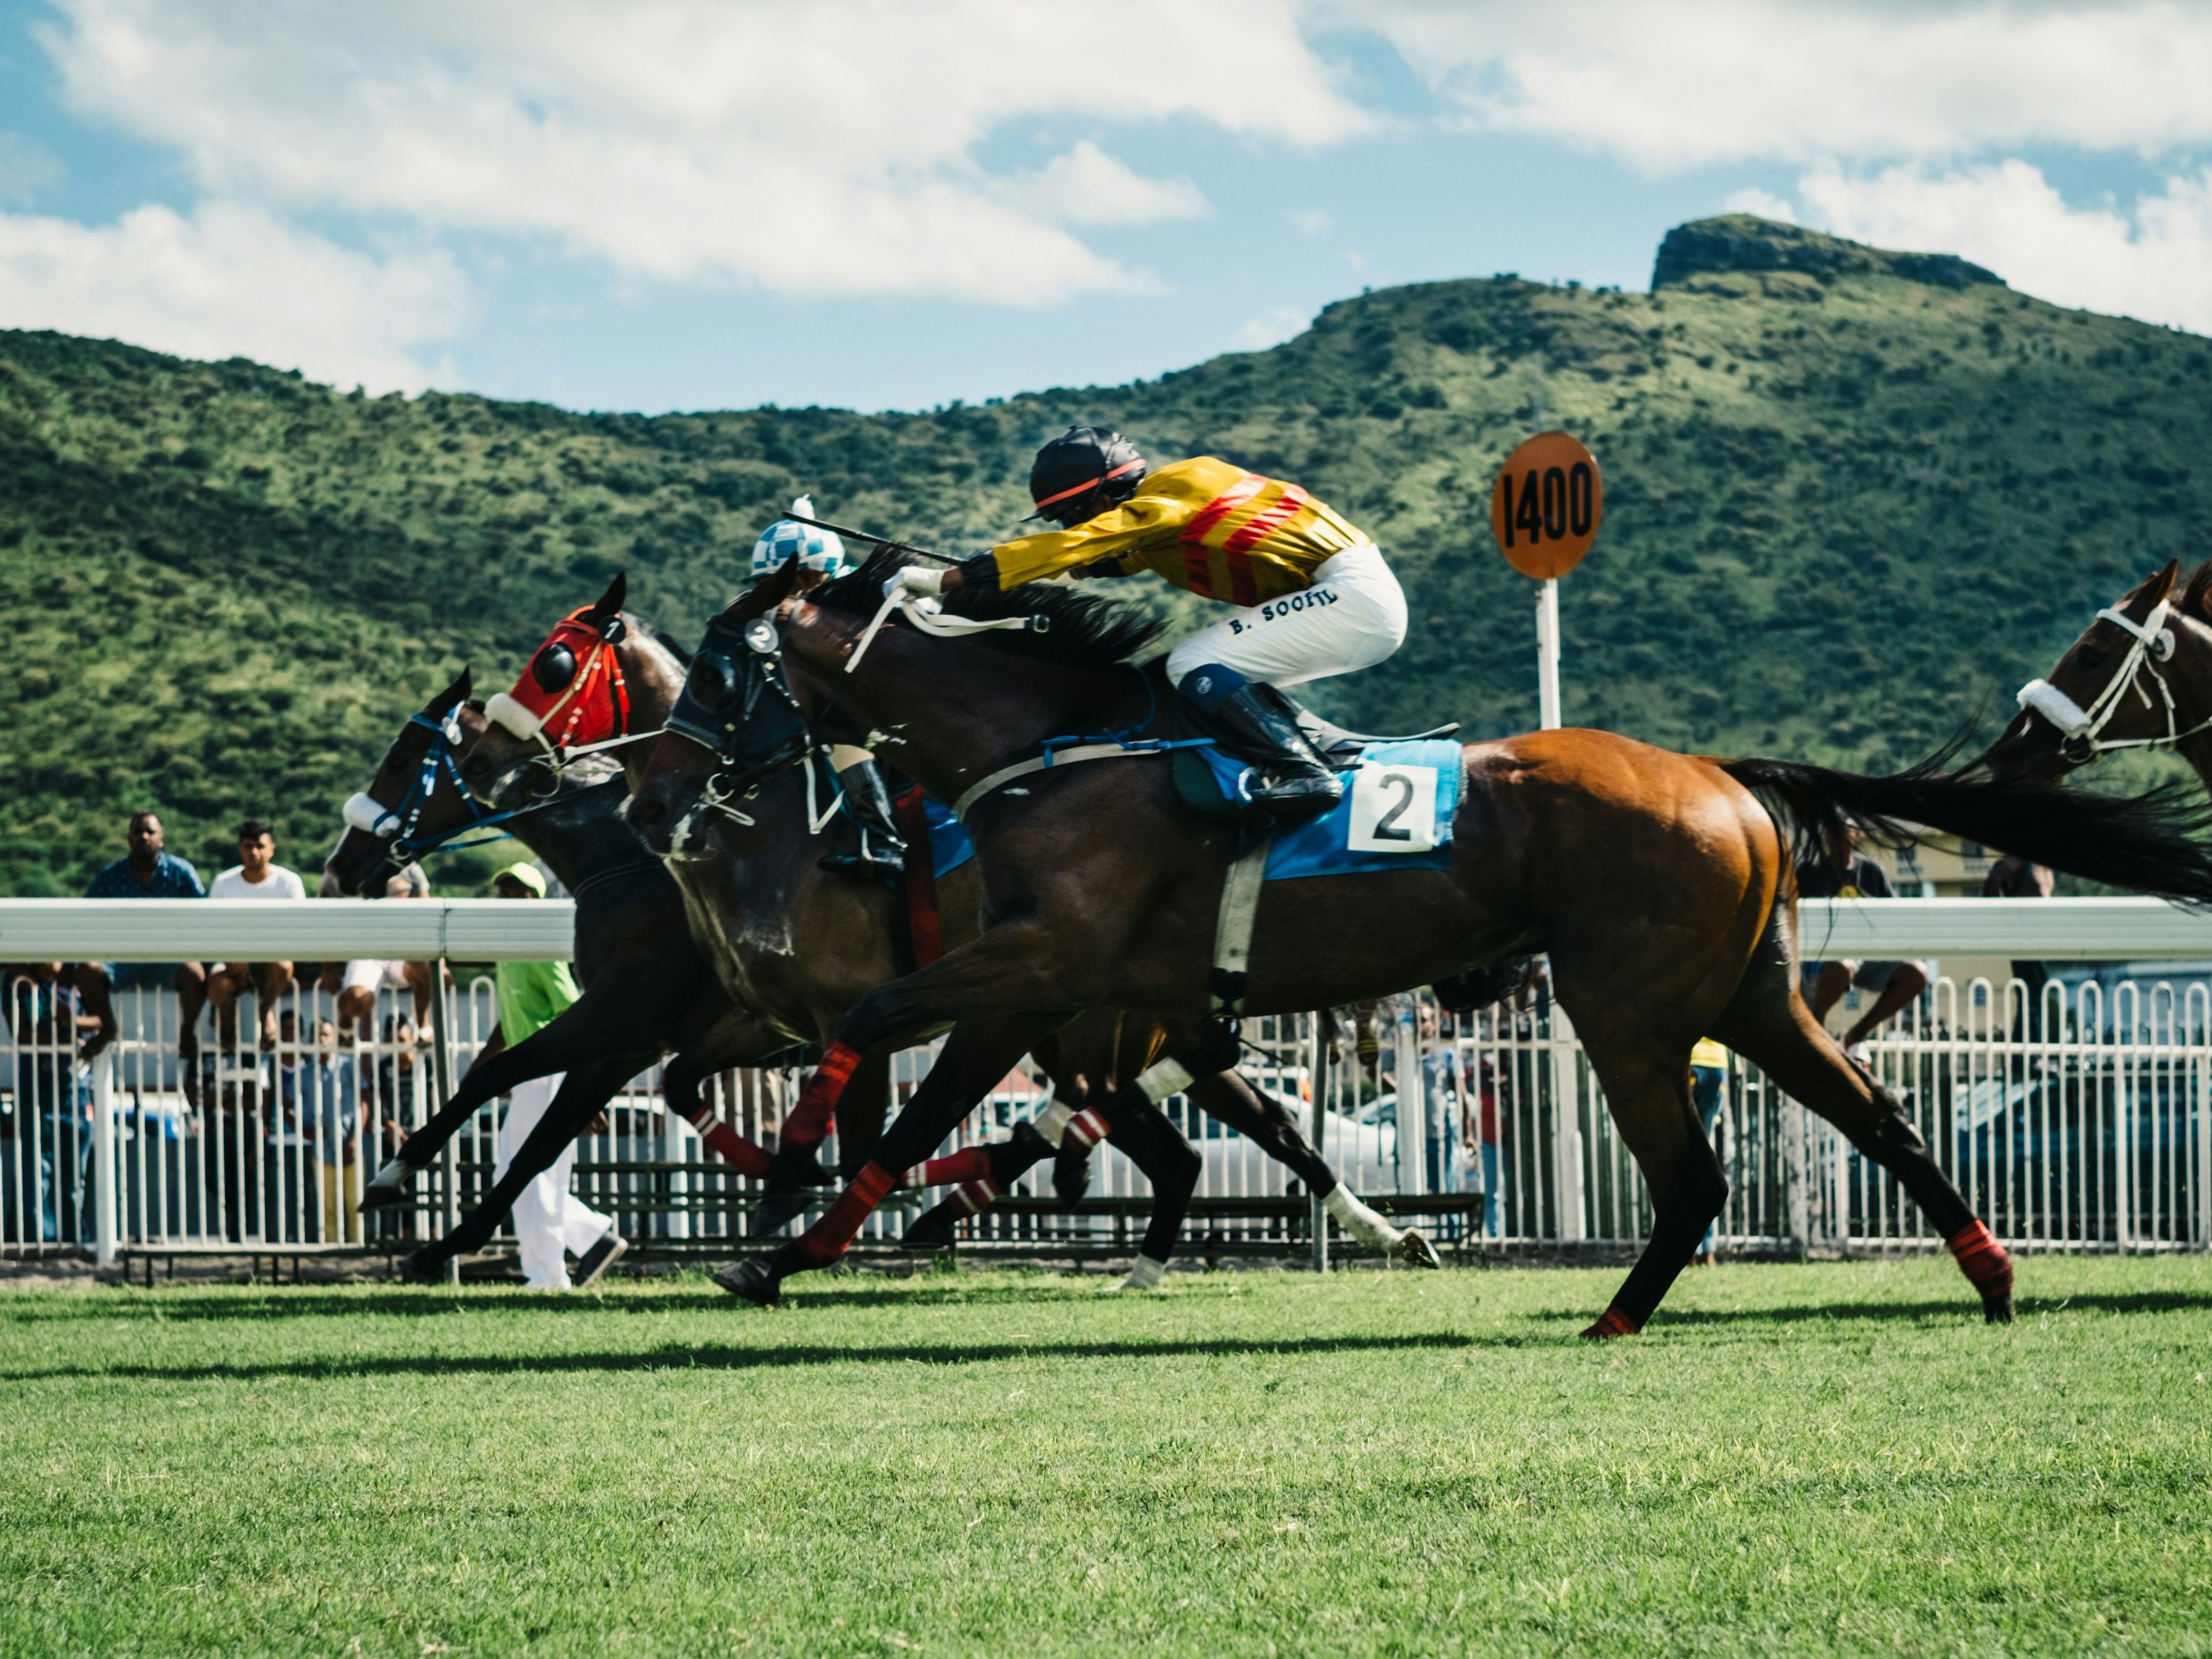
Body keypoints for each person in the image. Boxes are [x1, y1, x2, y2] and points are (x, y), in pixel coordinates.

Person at [903, 429, 1408, 817]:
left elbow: (1086, 543)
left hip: (1349, 594)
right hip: (1350, 598)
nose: (1069, 528)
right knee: (1222, 675)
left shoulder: (1180, 486)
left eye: (1070, 516)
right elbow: (1118, 552)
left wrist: (947, 579)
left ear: (1102, 498)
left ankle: (1304, 772)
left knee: (1193, 662)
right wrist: (1076, 562)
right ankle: (1316, 748)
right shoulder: (1169, 517)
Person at [471, 862, 625, 1290]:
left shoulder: (540, 952)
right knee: (514, 1175)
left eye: (517, 892)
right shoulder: (509, 950)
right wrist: (486, 1062)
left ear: (535, 899)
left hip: (550, 1074)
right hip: (533, 1076)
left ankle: (548, 1275)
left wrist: (588, 1090)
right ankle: (592, 1236)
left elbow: (579, 1015)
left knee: (532, 1177)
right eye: (503, 891)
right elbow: (512, 1016)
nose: (508, 899)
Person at [752, 497, 906, 879]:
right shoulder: (797, 611)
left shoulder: (863, 597)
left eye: (776, 584)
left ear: (807, 577)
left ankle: (882, 841)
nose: (769, 594)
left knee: (840, 741)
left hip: (897, 713)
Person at [74, 812, 208, 1088]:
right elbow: (85, 914)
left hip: (168, 959)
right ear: (129, 838)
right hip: (122, 960)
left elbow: (203, 914)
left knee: (195, 972)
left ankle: (187, 1031)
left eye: (149, 831)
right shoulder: (111, 876)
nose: (143, 837)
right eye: (138, 832)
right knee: (87, 971)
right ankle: (108, 1026)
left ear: (162, 838)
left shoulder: (181, 872)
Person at [1797, 820, 1927, 1057]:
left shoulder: (1870, 871)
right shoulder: (1810, 872)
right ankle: (1815, 1028)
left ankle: (1856, 1035)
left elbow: (1894, 914)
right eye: (1831, 829)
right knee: (1841, 964)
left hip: (1867, 956)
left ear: (1856, 834)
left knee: (1917, 973)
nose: (1837, 835)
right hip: (1823, 961)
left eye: (1844, 829)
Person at [206, 819, 306, 1054]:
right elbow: (213, 930)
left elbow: (296, 930)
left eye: (260, 846)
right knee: (218, 984)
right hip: (232, 962)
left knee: (283, 966)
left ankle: (266, 1012)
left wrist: (252, 954)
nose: (254, 852)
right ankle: (227, 1025)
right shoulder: (223, 884)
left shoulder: (289, 883)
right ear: (240, 849)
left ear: (272, 849)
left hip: (270, 960)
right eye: (248, 846)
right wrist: (233, 956)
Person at [321, 863, 435, 1039]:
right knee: (356, 1000)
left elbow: (426, 917)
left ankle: (423, 1021)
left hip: (405, 953)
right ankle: (347, 1018)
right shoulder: (345, 862)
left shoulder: (411, 868)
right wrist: (328, 967)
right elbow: (326, 915)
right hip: (366, 952)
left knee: (422, 962)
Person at [1983, 855, 2056, 1039]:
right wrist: (2007, 926)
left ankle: (2027, 1054)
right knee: (2029, 997)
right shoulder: (2012, 865)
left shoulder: (2039, 865)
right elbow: (1991, 893)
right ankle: (2027, 1055)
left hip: (2039, 941)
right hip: (2022, 940)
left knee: (2036, 995)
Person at [1689, 1037, 1729, 1265]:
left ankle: (1691, 1251)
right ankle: (1708, 1250)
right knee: (1703, 1163)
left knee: (1684, 1161)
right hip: (1716, 1063)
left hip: (1690, 1060)